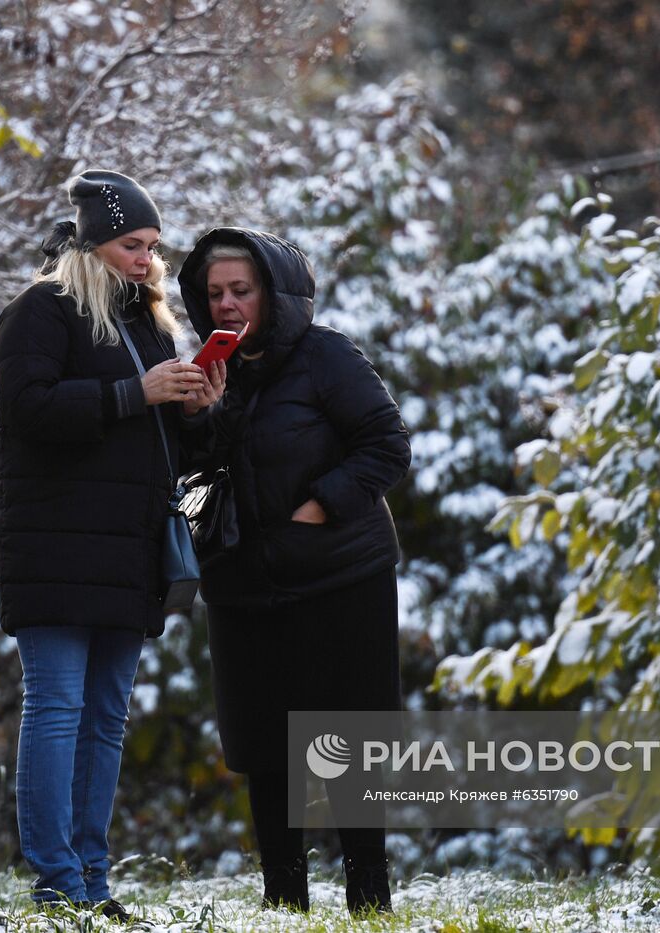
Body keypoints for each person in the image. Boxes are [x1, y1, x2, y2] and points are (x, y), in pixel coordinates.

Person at [0, 170, 225, 918]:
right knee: (57, 706)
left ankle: (93, 881)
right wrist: (139, 393)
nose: (146, 259)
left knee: (106, 716)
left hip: (129, 549)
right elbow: (26, 409)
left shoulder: (149, 322)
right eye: (133, 244)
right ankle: (56, 883)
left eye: (153, 246)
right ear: (93, 243)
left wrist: (200, 409)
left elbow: (167, 450)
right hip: (54, 544)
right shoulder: (42, 310)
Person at [178, 228, 411, 916]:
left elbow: (387, 445)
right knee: (265, 746)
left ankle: (369, 899)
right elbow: (192, 477)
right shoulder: (205, 372)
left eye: (240, 290)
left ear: (273, 292)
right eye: (214, 292)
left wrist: (321, 505)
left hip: (342, 578)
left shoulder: (325, 355)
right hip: (245, 588)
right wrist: (204, 417)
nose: (226, 304)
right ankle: (284, 901)